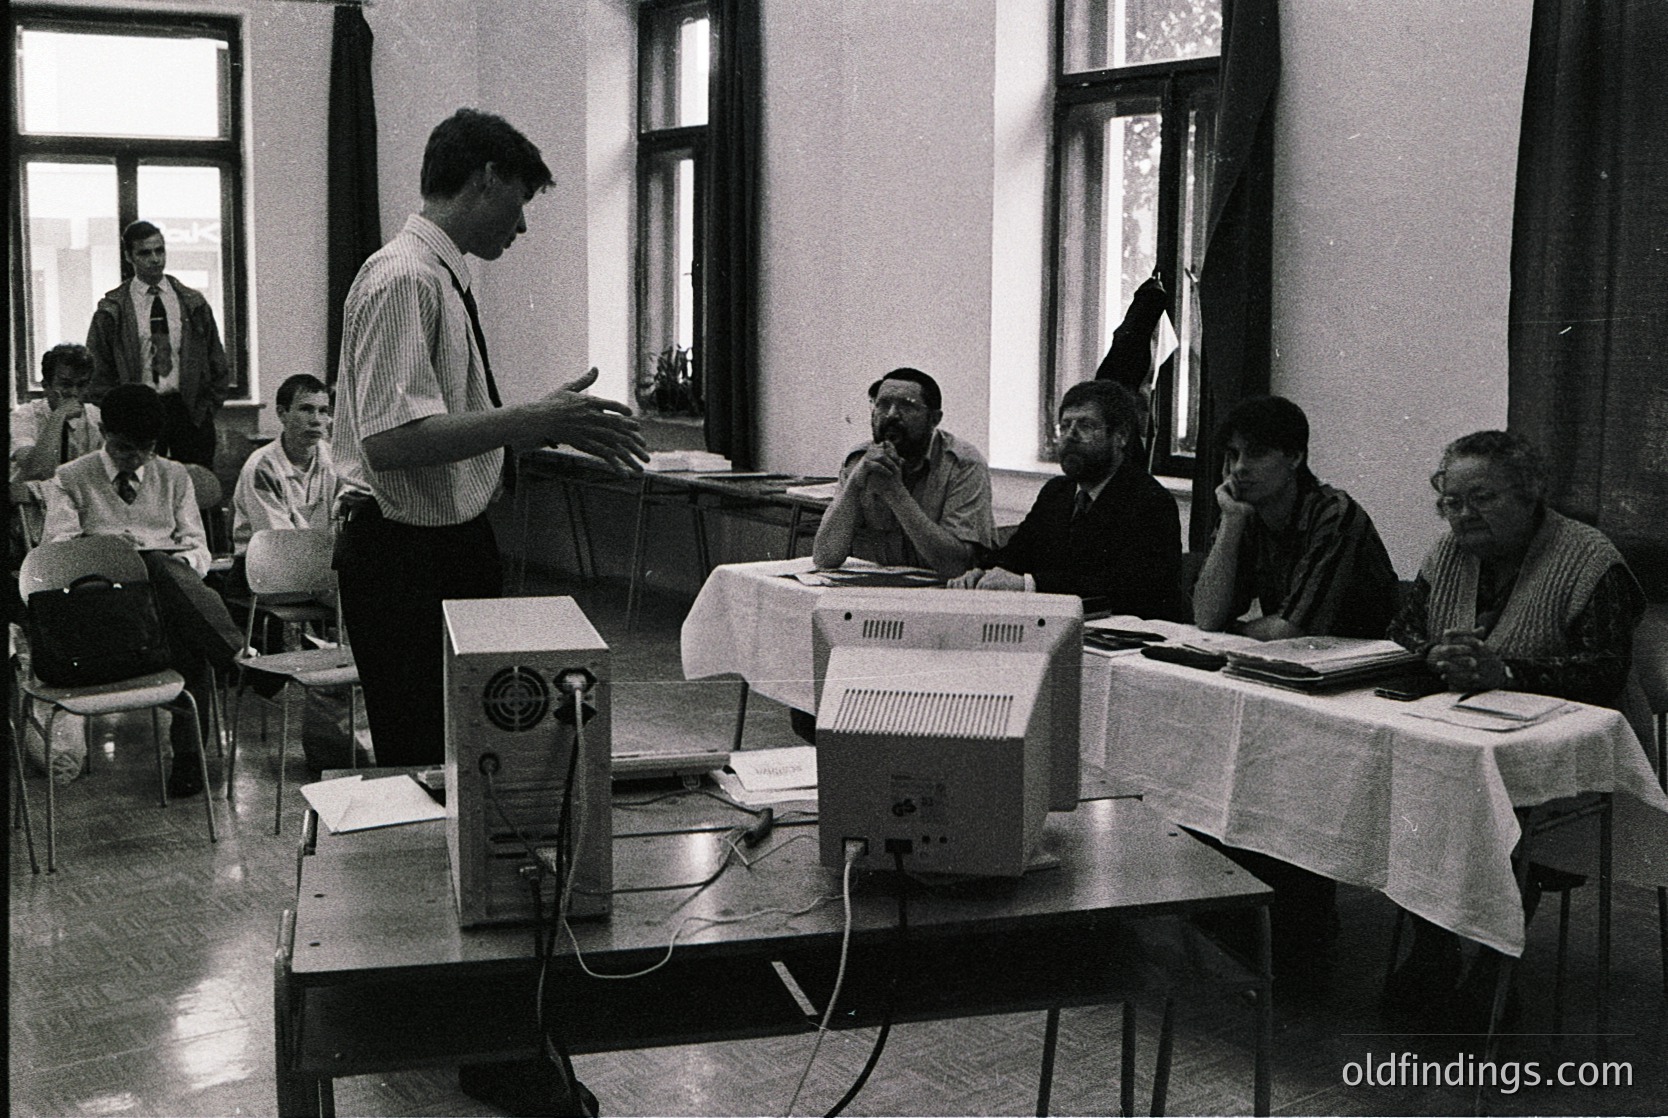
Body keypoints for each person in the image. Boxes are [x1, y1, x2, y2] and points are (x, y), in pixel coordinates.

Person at [332, 107, 647, 771]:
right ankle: (424, 877)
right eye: (521, 200)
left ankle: (457, 872)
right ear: (486, 178)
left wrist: (539, 428)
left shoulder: (438, 277)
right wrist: (525, 421)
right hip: (405, 557)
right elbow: (389, 441)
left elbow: (436, 432)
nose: (524, 223)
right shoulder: (405, 278)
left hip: (444, 547)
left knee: (461, 754)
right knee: (421, 758)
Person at [1382, 430, 1647, 1027]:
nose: (1464, 515)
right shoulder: (1447, 554)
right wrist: (1434, 652)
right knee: (1420, 778)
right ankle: (1434, 947)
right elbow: (1402, 630)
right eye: (1451, 501)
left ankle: (1495, 965)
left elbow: (1606, 673)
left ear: (1530, 496)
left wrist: (1505, 669)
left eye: (1483, 498)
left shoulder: (1588, 557)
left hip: (1575, 758)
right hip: (1468, 738)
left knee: (1495, 798)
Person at [41, 384, 245, 798]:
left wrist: (169, 565)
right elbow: (56, 555)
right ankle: (238, 655)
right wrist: (116, 554)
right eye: (124, 448)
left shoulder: (173, 475)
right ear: (102, 430)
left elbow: (198, 548)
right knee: (158, 578)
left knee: (177, 607)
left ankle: (189, 762)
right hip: (102, 607)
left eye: (145, 449)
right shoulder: (69, 478)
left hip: (165, 607)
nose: (135, 458)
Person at [949, 380, 1184, 619]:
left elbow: (1124, 587)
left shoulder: (1150, 501)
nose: (1070, 436)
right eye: (1065, 426)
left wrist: (1029, 583)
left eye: (1085, 425)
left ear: (1120, 436)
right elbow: (1018, 553)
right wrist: (982, 573)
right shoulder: (1057, 492)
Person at [1193, 395, 1399, 641]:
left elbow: (1292, 631)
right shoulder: (1243, 510)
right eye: (1233, 454)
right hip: (1300, 662)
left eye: (1256, 453)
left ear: (1294, 457)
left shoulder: (1335, 515)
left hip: (1363, 668)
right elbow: (1207, 617)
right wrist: (1231, 520)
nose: (1238, 468)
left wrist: (1235, 631)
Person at [811, 368, 995, 578]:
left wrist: (896, 494)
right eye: (883, 405)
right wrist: (854, 485)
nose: (891, 415)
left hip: (940, 593)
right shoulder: (859, 460)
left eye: (907, 406)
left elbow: (956, 567)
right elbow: (825, 558)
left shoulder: (963, 465)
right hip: (873, 591)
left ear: (934, 419)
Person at [86, 221, 231, 469]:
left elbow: (215, 356)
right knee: (142, 485)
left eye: (159, 251)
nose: (155, 259)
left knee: (196, 485)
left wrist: (207, 407)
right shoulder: (113, 310)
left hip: (187, 408)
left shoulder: (192, 302)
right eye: (145, 253)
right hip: (138, 410)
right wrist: (118, 414)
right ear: (129, 256)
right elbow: (97, 368)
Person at [232, 374, 340, 553]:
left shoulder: (336, 460)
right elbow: (280, 544)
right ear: (282, 413)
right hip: (263, 567)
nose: (316, 420)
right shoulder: (263, 467)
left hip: (318, 562)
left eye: (323, 411)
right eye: (306, 409)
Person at [12, 343, 104, 484]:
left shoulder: (96, 418)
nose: (74, 393)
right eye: (65, 385)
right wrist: (59, 416)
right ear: (46, 385)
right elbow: (36, 471)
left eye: (81, 385)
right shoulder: (24, 416)